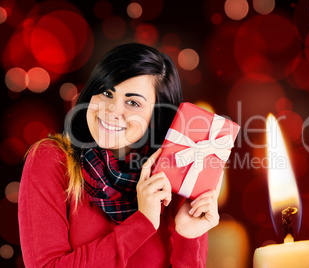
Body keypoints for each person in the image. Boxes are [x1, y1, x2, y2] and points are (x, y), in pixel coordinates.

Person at [18, 43, 220, 267]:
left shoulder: (173, 179)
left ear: (156, 116)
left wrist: (189, 236)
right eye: (106, 92)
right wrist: (141, 224)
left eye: (133, 103)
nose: (112, 110)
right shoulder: (52, 160)